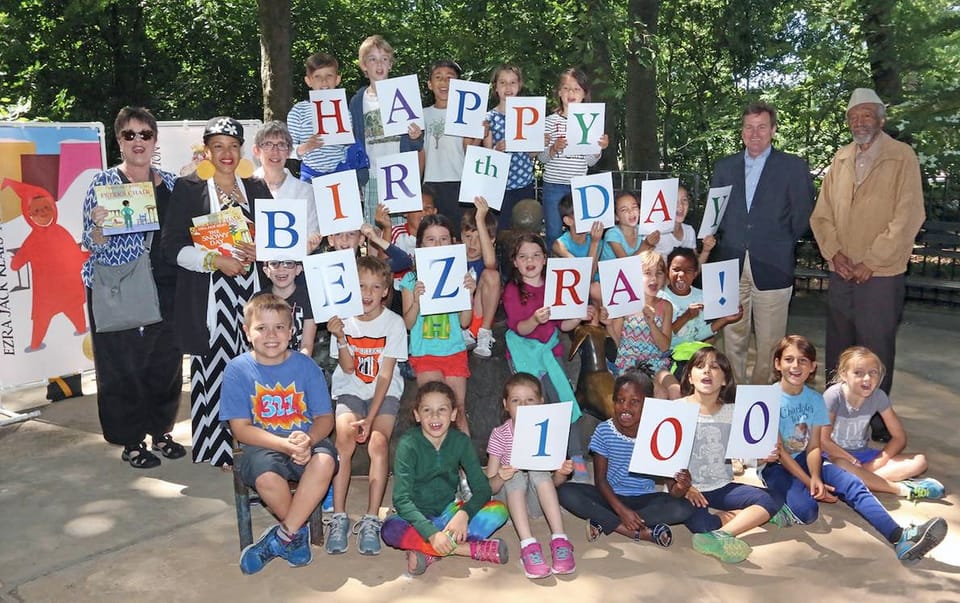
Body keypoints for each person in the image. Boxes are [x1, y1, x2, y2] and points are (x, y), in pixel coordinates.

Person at [759, 335, 947, 562]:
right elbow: (779, 451)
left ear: (812, 367)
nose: (795, 366)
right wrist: (810, 482)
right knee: (807, 512)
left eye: (803, 361)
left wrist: (817, 476)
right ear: (778, 364)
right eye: (789, 360)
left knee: (852, 483)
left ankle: (901, 536)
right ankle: (772, 503)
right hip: (776, 465)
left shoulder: (816, 400)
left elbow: (814, 446)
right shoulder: (766, 397)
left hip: (806, 459)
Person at [809, 88, 926, 442]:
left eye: (867, 115)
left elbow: (908, 216)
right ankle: (831, 419)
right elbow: (822, 214)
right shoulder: (840, 158)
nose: (860, 122)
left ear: (880, 118)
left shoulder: (901, 156)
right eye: (854, 116)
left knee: (875, 348)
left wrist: (871, 261)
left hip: (881, 274)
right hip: (841, 270)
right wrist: (835, 254)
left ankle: (874, 422)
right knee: (839, 347)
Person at [161, 116, 270, 467]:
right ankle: (220, 448)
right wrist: (213, 260)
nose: (226, 153)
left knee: (257, 369)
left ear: (241, 150)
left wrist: (263, 249)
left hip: (252, 292)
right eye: (218, 146)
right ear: (206, 150)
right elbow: (171, 246)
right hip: (211, 295)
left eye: (233, 146)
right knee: (217, 369)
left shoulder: (256, 187)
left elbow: (277, 237)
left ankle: (259, 444)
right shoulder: (188, 188)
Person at [81, 106, 184, 469]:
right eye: (130, 134)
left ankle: (161, 430)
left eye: (145, 134)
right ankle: (130, 439)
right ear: (118, 141)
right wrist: (97, 230)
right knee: (123, 365)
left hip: (168, 286)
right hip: (121, 286)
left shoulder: (173, 183)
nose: (138, 141)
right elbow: (90, 244)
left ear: (155, 140)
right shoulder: (103, 184)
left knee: (165, 364)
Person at [220, 294, 338, 575]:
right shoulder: (237, 370)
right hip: (263, 445)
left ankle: (283, 536)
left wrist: (308, 438)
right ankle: (295, 535)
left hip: (306, 440)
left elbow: (325, 418)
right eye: (262, 328)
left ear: (291, 331)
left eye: (279, 327)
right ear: (247, 332)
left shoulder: (306, 366)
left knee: (325, 461)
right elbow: (240, 429)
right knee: (267, 478)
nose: (271, 335)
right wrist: (284, 445)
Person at [709, 101, 815, 385]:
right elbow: (714, 213)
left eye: (762, 127)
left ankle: (758, 401)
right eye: (749, 127)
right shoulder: (724, 167)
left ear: (773, 130)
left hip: (773, 262)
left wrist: (778, 241)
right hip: (730, 263)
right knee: (732, 335)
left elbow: (803, 214)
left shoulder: (792, 167)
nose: (755, 134)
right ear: (741, 131)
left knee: (770, 342)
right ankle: (733, 394)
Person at [324, 256, 408, 556]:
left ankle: (372, 518)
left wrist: (370, 419)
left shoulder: (394, 323)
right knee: (343, 440)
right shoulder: (342, 320)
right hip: (351, 388)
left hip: (383, 393)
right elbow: (347, 369)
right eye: (360, 286)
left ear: (386, 290)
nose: (367, 293)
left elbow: (385, 375)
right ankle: (339, 516)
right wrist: (341, 337)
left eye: (375, 286)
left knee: (378, 442)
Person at [381, 381, 509, 576]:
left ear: (453, 414)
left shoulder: (461, 442)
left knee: (498, 510)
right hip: (416, 516)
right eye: (427, 410)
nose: (435, 416)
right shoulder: (408, 444)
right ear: (417, 415)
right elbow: (401, 499)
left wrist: (463, 514)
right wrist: (431, 533)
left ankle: (431, 551)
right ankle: (467, 549)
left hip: (449, 513)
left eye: (442, 409)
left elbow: (483, 489)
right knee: (390, 529)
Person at [557, 371, 694, 546]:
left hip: (645, 499)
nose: (625, 407)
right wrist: (621, 510)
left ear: (648, 405)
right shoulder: (605, 431)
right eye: (620, 400)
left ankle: (605, 521)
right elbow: (600, 479)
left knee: (684, 508)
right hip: (610, 497)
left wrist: (682, 487)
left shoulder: (660, 433)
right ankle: (634, 531)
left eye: (634, 402)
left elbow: (672, 489)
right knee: (565, 492)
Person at [679, 347, 783, 563]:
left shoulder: (734, 412)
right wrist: (685, 487)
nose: (707, 372)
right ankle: (743, 518)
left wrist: (764, 456)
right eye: (700, 367)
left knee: (772, 499)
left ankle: (722, 536)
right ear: (690, 376)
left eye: (714, 367)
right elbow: (662, 461)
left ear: (725, 380)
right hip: (689, 489)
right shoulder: (675, 410)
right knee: (700, 525)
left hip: (722, 485)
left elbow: (746, 456)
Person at [502, 233, 591, 481]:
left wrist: (579, 315)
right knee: (530, 406)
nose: (529, 260)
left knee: (564, 401)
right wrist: (534, 320)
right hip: (523, 352)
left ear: (545, 260)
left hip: (550, 353)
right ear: (515, 262)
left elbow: (564, 325)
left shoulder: (556, 285)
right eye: (523, 256)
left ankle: (576, 456)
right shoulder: (512, 289)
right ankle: (534, 459)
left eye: (535, 255)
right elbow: (519, 328)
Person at [821, 346, 944, 500]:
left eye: (873, 373)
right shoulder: (833, 396)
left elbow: (899, 437)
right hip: (832, 456)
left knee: (920, 461)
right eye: (858, 373)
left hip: (862, 456)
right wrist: (852, 461)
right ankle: (901, 489)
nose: (867, 378)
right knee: (841, 466)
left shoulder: (879, 397)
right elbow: (823, 440)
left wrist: (876, 463)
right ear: (844, 374)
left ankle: (859, 480)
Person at [485, 373, 576, 579]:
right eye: (516, 401)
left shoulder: (548, 431)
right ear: (506, 404)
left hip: (536, 506)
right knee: (515, 475)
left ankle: (560, 539)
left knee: (537, 470)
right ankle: (528, 545)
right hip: (507, 502)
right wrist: (502, 475)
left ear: (541, 403)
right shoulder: (500, 434)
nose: (523, 406)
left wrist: (562, 473)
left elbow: (553, 483)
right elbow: (490, 487)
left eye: (530, 400)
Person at [400, 215, 476, 434]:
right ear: (420, 244)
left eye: (444, 239)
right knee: (432, 412)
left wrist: (469, 295)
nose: (438, 244)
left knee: (457, 411)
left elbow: (465, 322)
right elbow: (408, 323)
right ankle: (433, 466)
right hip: (425, 353)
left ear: (453, 242)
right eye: (431, 239)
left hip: (454, 350)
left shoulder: (460, 276)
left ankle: (465, 467)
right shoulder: (411, 280)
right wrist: (416, 300)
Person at [348, 35, 424, 226]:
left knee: (401, 230)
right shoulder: (358, 102)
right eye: (372, 59)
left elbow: (418, 142)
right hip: (372, 175)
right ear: (364, 66)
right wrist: (358, 177)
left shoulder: (405, 94)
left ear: (391, 64)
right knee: (375, 231)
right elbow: (355, 141)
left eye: (384, 59)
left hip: (401, 174)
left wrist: (416, 136)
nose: (379, 64)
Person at [539, 67, 608, 250]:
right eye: (566, 88)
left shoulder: (591, 121)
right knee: (553, 232)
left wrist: (598, 149)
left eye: (577, 89)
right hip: (553, 185)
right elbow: (542, 159)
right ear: (559, 92)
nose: (571, 93)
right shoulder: (549, 122)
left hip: (579, 186)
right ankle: (555, 272)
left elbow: (590, 162)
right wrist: (553, 148)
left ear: (584, 94)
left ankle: (581, 269)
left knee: (581, 233)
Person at [600, 250, 681, 399]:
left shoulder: (665, 306)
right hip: (630, 363)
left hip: (656, 362)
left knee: (676, 390)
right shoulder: (624, 303)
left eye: (659, 273)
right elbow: (617, 344)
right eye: (647, 273)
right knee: (660, 393)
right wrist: (608, 324)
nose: (654, 278)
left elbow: (664, 346)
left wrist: (651, 323)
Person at [422, 59, 475, 236]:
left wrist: (478, 133)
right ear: (430, 84)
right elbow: (420, 152)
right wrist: (417, 183)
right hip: (430, 184)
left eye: (450, 78)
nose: (444, 82)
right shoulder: (421, 114)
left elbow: (470, 152)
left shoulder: (468, 115)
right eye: (438, 77)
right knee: (434, 235)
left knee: (460, 234)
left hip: (459, 182)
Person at [483, 64, 537, 230]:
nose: (508, 87)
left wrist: (537, 143)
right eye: (503, 83)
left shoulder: (529, 114)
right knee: (502, 231)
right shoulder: (489, 118)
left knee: (526, 231)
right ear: (496, 87)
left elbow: (532, 154)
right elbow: (486, 156)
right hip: (500, 187)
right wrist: (496, 150)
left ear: (519, 86)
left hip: (524, 184)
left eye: (513, 82)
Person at [252, 120, 321, 250]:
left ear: (289, 151)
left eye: (281, 145)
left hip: (292, 266)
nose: (275, 151)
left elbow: (312, 233)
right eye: (268, 144)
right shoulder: (244, 187)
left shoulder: (305, 191)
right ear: (256, 150)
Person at [659, 247, 742, 350]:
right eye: (676, 270)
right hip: (667, 355)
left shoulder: (701, 296)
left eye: (688, 271)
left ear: (695, 274)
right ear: (667, 271)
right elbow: (661, 338)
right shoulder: (660, 297)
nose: (681, 275)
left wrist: (725, 319)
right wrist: (686, 316)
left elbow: (698, 334)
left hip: (692, 354)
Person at [287, 52, 348, 182]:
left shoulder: (344, 109)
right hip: (310, 175)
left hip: (341, 174)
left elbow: (349, 145)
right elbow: (287, 149)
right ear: (308, 81)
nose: (324, 81)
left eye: (329, 75)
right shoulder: (298, 111)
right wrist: (306, 147)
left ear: (337, 79)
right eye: (317, 77)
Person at [460, 196, 500, 357]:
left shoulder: (486, 261)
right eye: (468, 237)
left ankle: (484, 333)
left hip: (478, 317)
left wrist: (480, 220)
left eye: (479, 238)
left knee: (492, 275)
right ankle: (464, 332)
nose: (472, 243)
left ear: (490, 241)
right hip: (459, 319)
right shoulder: (453, 258)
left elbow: (490, 263)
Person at [256, 260, 316, 356]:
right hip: (266, 359)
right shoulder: (258, 301)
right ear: (266, 271)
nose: (281, 269)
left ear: (298, 269)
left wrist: (296, 368)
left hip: (297, 361)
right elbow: (256, 340)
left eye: (288, 263)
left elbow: (307, 345)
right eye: (274, 264)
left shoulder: (309, 298)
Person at [600, 190, 657, 260]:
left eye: (634, 207)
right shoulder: (612, 234)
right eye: (624, 210)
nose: (631, 211)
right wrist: (646, 245)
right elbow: (626, 264)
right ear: (616, 217)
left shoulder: (643, 230)